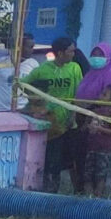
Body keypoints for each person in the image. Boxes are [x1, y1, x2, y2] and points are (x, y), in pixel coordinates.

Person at [25, 37, 84, 190]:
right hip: (49, 122)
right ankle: (44, 187)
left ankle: (64, 190)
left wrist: (73, 114)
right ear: (60, 53)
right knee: (48, 157)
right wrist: (37, 104)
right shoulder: (43, 69)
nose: (73, 54)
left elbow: (77, 93)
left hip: (67, 121)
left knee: (68, 159)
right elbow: (24, 84)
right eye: (70, 51)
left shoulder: (74, 68)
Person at [75, 44, 111, 195]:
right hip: (85, 122)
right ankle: (83, 194)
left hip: (103, 138)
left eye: (100, 54)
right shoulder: (90, 74)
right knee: (85, 166)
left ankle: (97, 197)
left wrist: (98, 116)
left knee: (100, 171)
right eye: (94, 53)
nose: (96, 57)